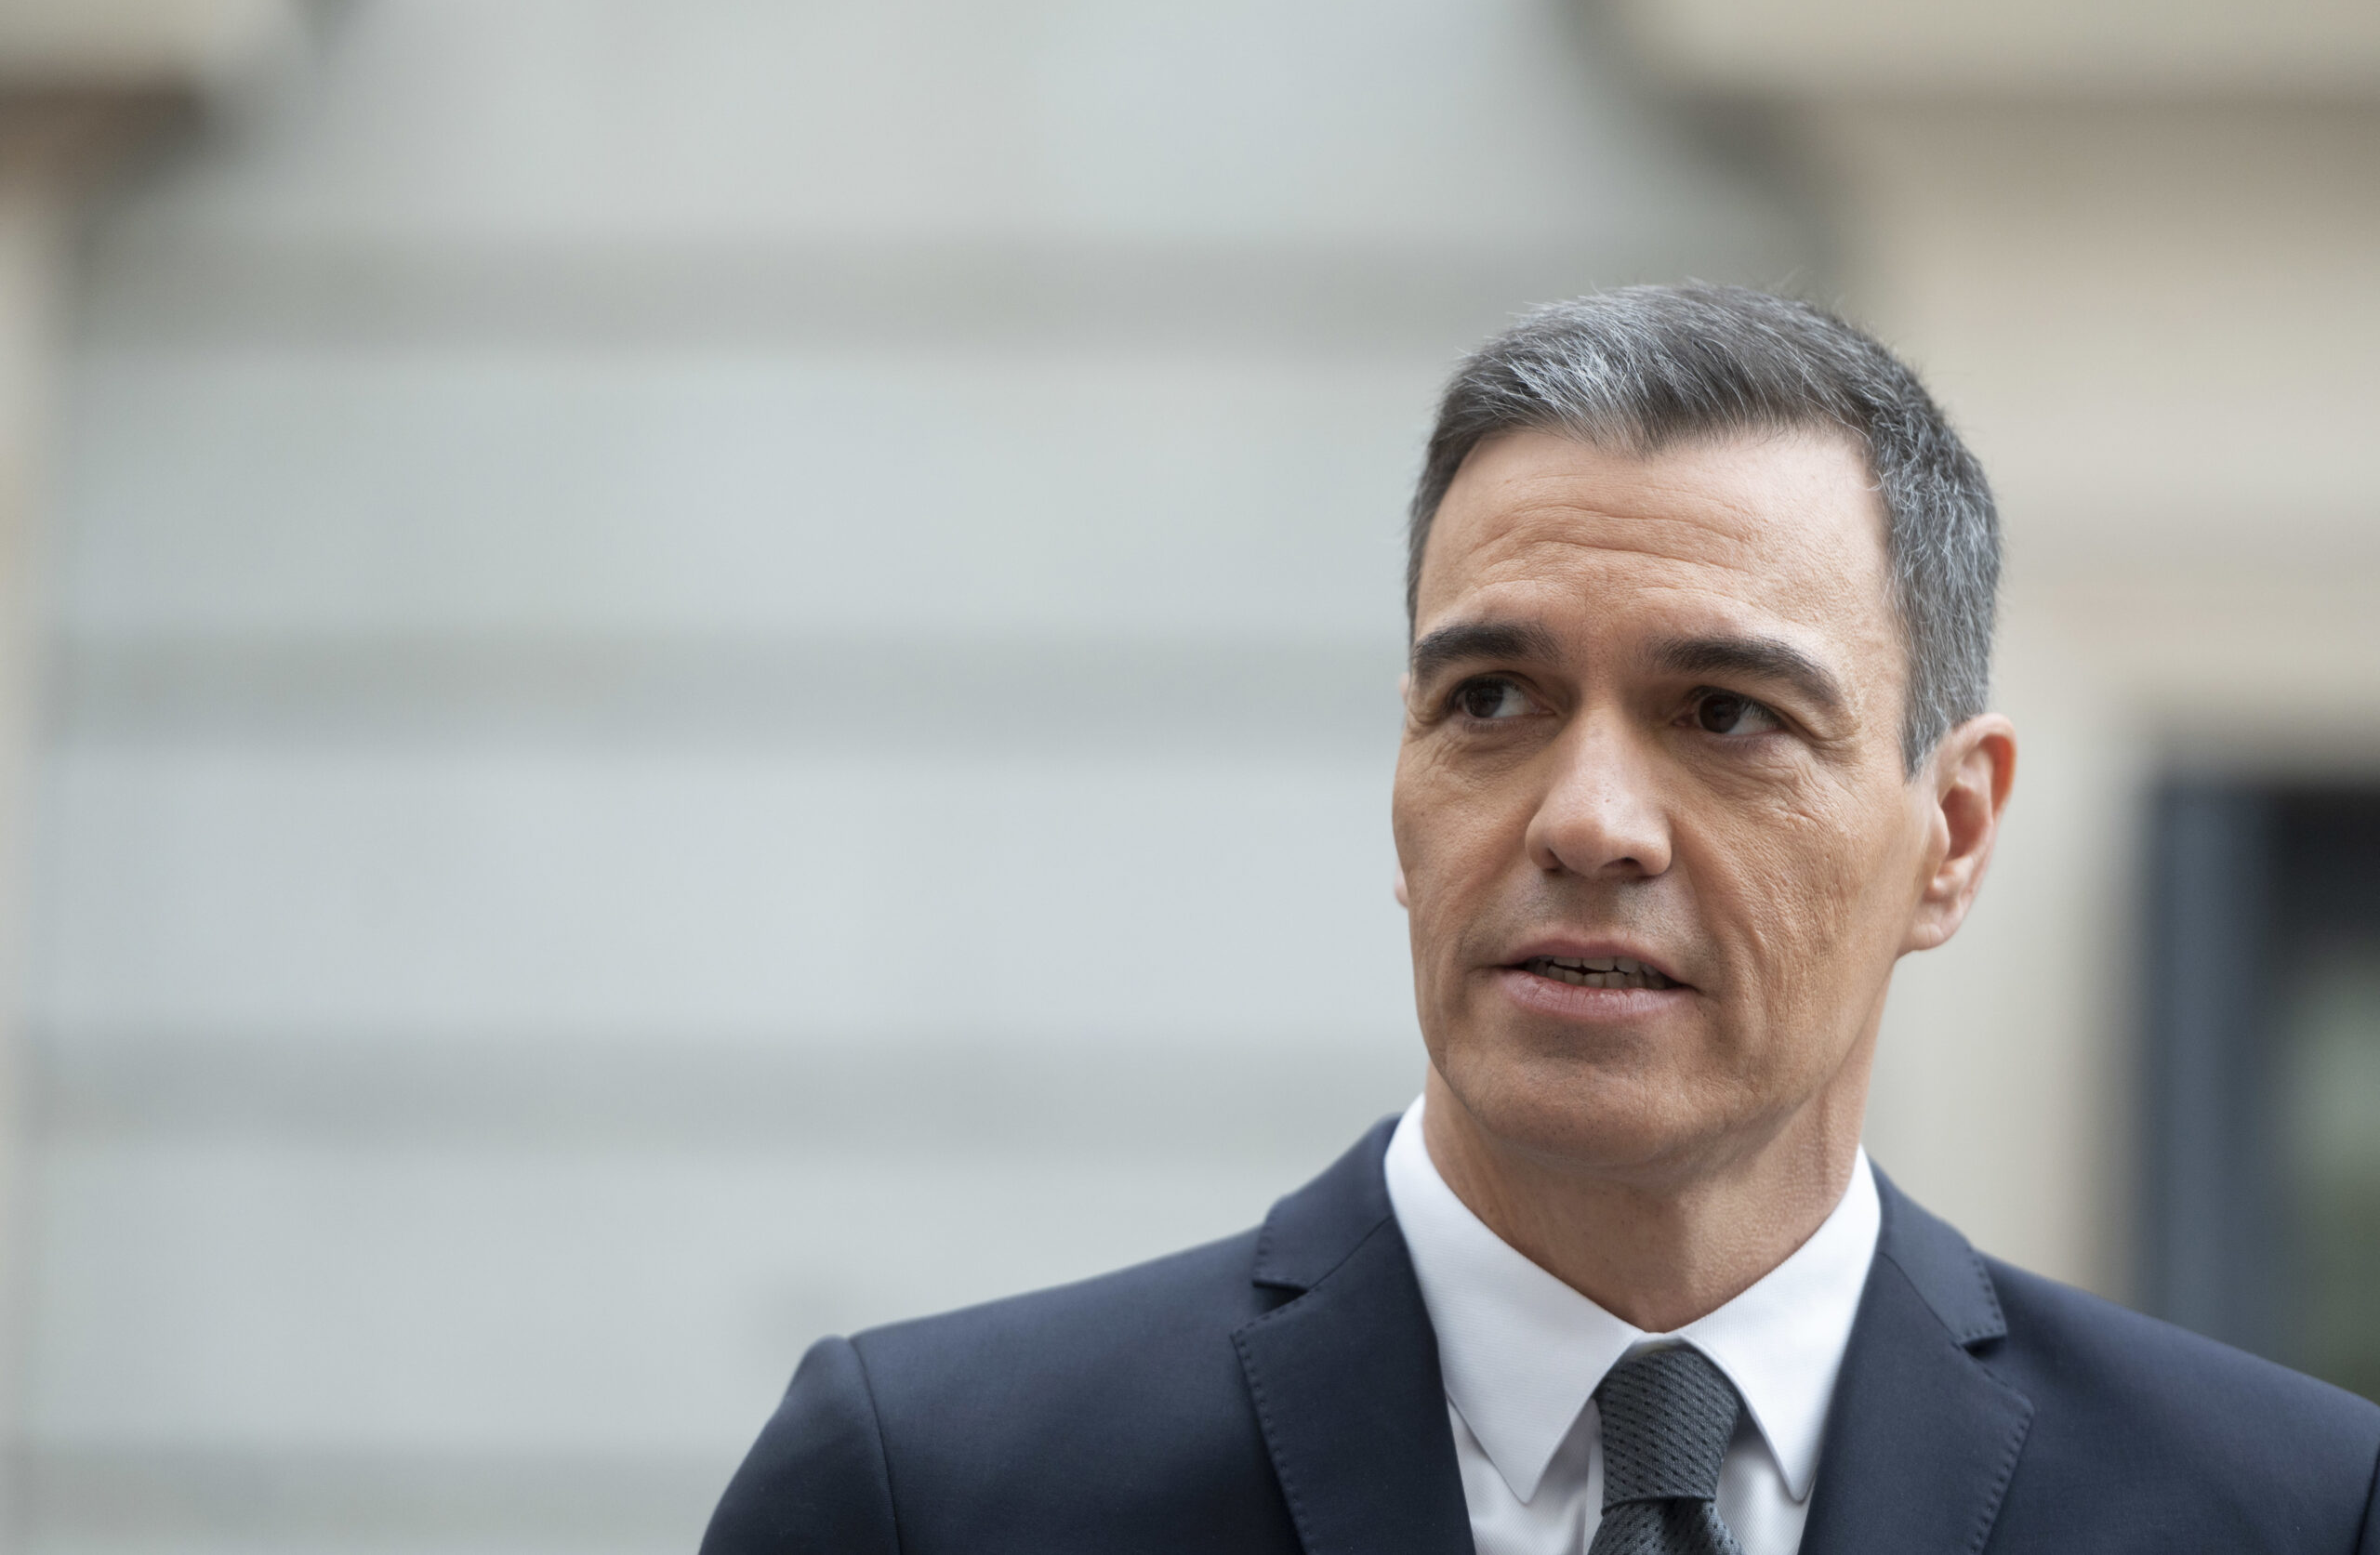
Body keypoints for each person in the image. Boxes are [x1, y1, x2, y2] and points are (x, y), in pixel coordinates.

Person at [699, 286, 2380, 1554]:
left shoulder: (2285, 1514)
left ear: (1951, 833)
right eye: (1492, 698)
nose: (1586, 820)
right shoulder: (937, 1495)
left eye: (1725, 714)